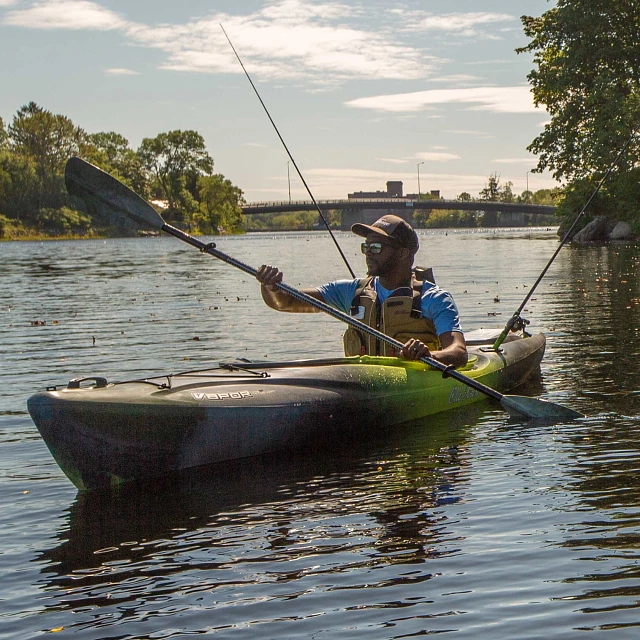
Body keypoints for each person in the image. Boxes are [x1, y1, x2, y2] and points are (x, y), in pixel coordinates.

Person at [256, 215, 468, 367]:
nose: (368, 254)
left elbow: (458, 352)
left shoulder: (435, 299)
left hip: (414, 384)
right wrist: (270, 286)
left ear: (403, 254)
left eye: (376, 248)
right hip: (362, 383)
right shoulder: (351, 292)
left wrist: (429, 355)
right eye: (366, 247)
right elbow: (283, 302)